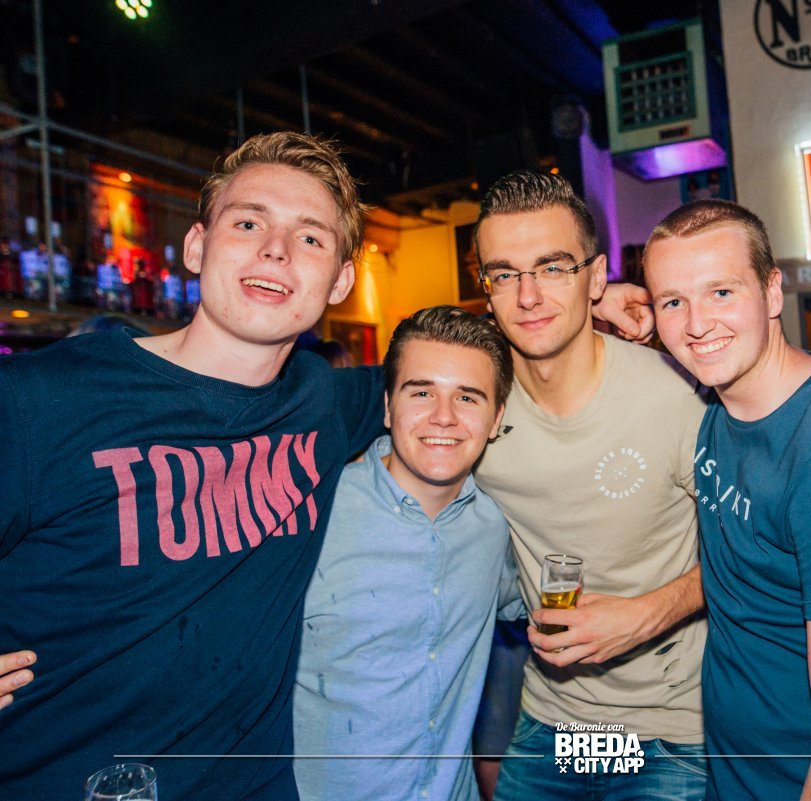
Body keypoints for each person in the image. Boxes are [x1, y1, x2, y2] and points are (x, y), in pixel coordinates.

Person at [0, 132, 385, 800]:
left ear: (341, 281)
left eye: (310, 237)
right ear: (197, 246)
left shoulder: (324, 401)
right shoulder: (38, 401)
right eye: (248, 223)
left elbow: (458, 377)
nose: (276, 249)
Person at [641, 199, 811, 801]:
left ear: (771, 292)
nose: (697, 324)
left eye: (721, 292)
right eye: (673, 302)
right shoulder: (718, 401)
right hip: (731, 770)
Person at [470, 170, 710, 800]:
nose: (528, 296)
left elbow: (759, 547)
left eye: (553, 268)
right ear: (486, 290)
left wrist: (645, 616)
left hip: (668, 734)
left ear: (597, 277)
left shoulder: (675, 395)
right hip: (552, 725)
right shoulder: (473, 406)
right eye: (505, 274)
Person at [292, 306, 522, 801]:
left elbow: (537, 601)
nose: (444, 416)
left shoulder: (494, 527)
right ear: (387, 407)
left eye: (468, 397)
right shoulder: (313, 514)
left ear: (497, 418)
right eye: (421, 392)